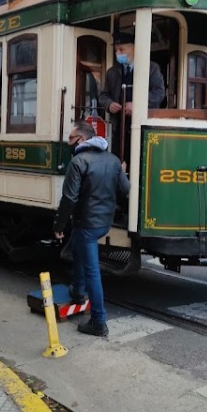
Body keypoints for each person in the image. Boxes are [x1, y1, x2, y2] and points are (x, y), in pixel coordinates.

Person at [53, 120, 131, 338]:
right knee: (78, 247)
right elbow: (125, 191)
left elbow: (69, 198)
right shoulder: (113, 160)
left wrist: (58, 226)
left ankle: (99, 322)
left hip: (86, 223)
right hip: (103, 223)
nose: (68, 142)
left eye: (71, 138)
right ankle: (78, 291)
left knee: (92, 270)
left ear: (82, 139)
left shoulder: (78, 162)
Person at [98, 31, 165, 166]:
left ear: (133, 48)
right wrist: (110, 104)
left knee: (139, 164)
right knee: (119, 163)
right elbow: (103, 96)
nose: (118, 53)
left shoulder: (151, 68)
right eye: (116, 50)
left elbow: (159, 93)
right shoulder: (112, 72)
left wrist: (138, 105)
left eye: (121, 49)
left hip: (142, 126)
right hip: (119, 126)